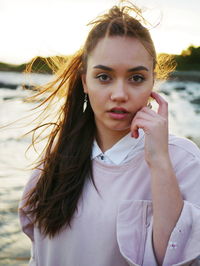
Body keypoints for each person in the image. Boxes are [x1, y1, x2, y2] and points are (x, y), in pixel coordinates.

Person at [19, 2, 200, 266]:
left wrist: (159, 161)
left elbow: (177, 258)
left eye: (136, 78)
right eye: (104, 77)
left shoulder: (183, 159)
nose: (119, 94)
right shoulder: (57, 157)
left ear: (153, 82)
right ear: (85, 81)